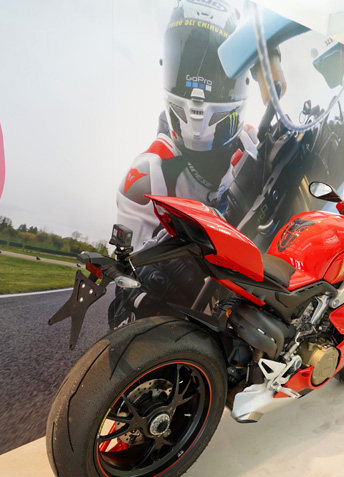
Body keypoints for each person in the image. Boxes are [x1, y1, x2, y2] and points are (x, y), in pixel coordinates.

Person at [110, 0, 282, 327]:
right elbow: (123, 298)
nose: (198, 90)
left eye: (213, 73)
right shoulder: (149, 172)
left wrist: (270, 56)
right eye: (188, 68)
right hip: (184, 329)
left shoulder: (256, 148)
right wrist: (148, 289)